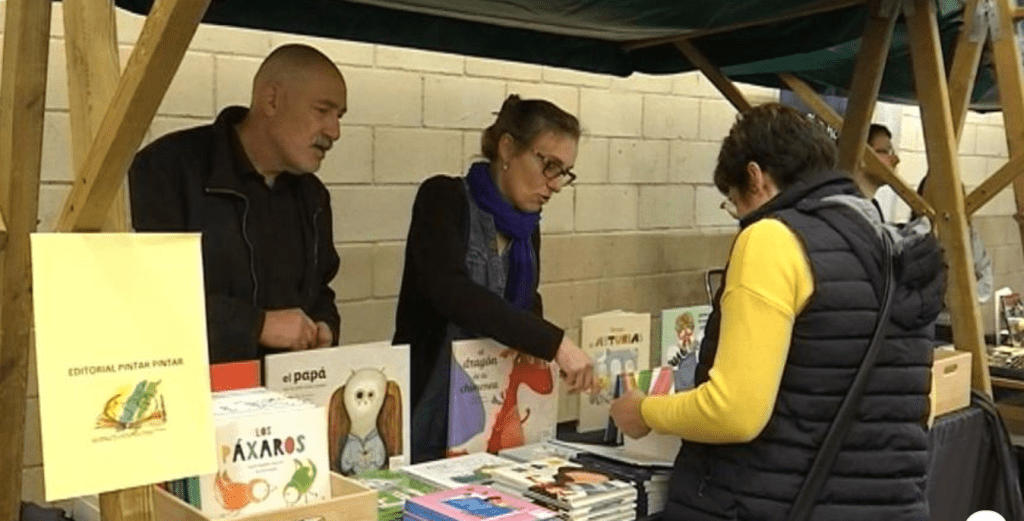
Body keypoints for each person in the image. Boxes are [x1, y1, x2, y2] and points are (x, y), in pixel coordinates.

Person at [610, 103, 944, 521]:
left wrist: (644, 411)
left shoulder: (772, 239)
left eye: (733, 203)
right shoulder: (890, 246)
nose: (739, 219)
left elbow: (735, 412)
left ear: (755, 176)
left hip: (773, 503)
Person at [393, 95, 595, 463]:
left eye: (564, 172)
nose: (555, 184)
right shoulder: (443, 199)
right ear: (507, 148)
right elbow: (454, 293)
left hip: (495, 411)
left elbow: (525, 306)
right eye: (549, 165)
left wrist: (552, 356)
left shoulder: (526, 229)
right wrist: (557, 344)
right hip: (431, 408)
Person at [129, 44, 345, 363]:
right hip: (186, 397)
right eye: (322, 110)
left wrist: (325, 324)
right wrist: (254, 326)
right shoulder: (167, 170)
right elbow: (142, 292)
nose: (335, 131)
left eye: (339, 116)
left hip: (286, 399)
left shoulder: (313, 197)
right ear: (272, 100)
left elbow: (320, 289)